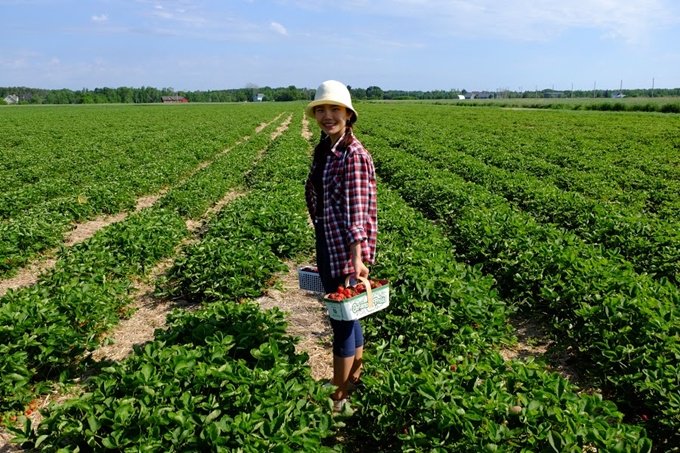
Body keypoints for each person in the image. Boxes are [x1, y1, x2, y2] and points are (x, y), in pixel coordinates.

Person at [304, 80, 378, 412]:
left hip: (348, 250)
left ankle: (339, 394)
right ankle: (354, 380)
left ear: (348, 114)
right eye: (321, 109)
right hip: (331, 242)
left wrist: (357, 259)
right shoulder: (328, 149)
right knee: (351, 315)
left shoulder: (354, 154)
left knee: (341, 321)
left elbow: (357, 212)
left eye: (335, 109)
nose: (327, 115)